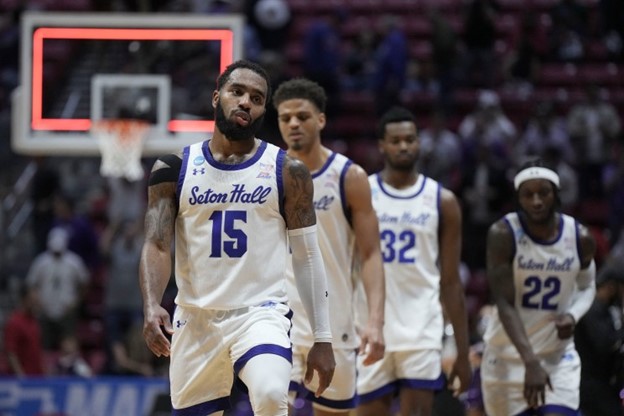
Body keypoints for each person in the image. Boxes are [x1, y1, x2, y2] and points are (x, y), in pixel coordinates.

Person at [139, 59, 335, 416]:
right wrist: (152, 304)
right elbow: (156, 243)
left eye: (257, 98)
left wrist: (322, 336)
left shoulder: (288, 171)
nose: (246, 102)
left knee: (271, 391)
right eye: (237, 92)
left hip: (260, 313)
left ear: (263, 110)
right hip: (195, 316)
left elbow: (307, 256)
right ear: (217, 97)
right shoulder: (173, 168)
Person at [272, 77, 385, 415]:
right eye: (285, 117)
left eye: (302, 116)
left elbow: (371, 254)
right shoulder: (267, 174)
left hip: (334, 321)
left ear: (320, 119)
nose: (293, 123)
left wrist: (375, 321)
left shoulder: (349, 177)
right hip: (278, 319)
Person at [355, 106, 472, 416]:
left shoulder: (442, 201)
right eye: (395, 141)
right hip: (370, 327)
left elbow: (450, 281)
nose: (403, 146)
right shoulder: (361, 192)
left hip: (422, 327)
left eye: (410, 139)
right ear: (382, 145)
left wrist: (462, 351)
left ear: (419, 143)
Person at [481, 159, 597, 416]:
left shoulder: (580, 237)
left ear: (556, 194)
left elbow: (588, 286)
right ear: (518, 198)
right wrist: (530, 362)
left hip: (557, 358)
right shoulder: (502, 234)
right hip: (505, 359)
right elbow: (504, 303)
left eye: (543, 193)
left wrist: (573, 315)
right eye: (528, 195)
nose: (536, 201)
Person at [26, 226, 90, 351]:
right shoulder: (41, 262)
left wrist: (76, 302)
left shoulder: (74, 262)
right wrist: (37, 302)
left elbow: (85, 283)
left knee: (68, 345)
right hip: (45, 310)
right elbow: (31, 285)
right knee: (44, 345)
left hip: (67, 310)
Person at [575, 264, 624, 416]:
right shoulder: (591, 308)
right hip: (591, 385)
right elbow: (607, 345)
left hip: (606, 383)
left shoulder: (610, 308)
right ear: (611, 287)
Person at [3, 284, 45, 376]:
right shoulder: (14, 322)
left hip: (37, 378)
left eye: (37, 300)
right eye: (33, 300)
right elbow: (11, 353)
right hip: (24, 380)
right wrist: (21, 377)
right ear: (24, 300)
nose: (36, 303)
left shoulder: (34, 322)